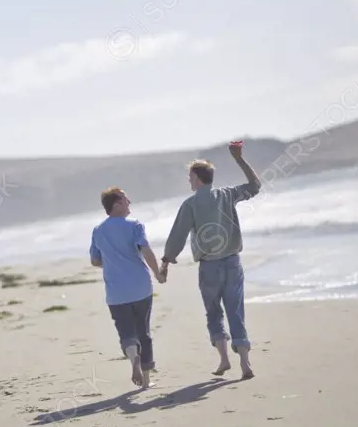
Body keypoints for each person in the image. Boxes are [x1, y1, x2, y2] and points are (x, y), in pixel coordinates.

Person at [160, 141, 261, 379]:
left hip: (209, 268)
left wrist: (166, 261)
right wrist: (239, 159)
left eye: (189, 177)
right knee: (236, 311)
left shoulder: (191, 204)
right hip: (232, 263)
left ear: (196, 178)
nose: (188, 181)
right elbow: (255, 186)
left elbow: (178, 235)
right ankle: (245, 364)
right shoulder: (227, 195)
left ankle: (225, 359)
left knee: (214, 312)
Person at [90, 187, 164, 390]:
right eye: (125, 199)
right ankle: (146, 381)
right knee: (143, 331)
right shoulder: (135, 225)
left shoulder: (98, 231)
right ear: (116, 204)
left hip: (116, 293)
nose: (129, 202)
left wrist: (114, 262)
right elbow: (146, 250)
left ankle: (134, 360)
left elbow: (95, 260)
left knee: (126, 333)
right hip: (141, 287)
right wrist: (157, 273)